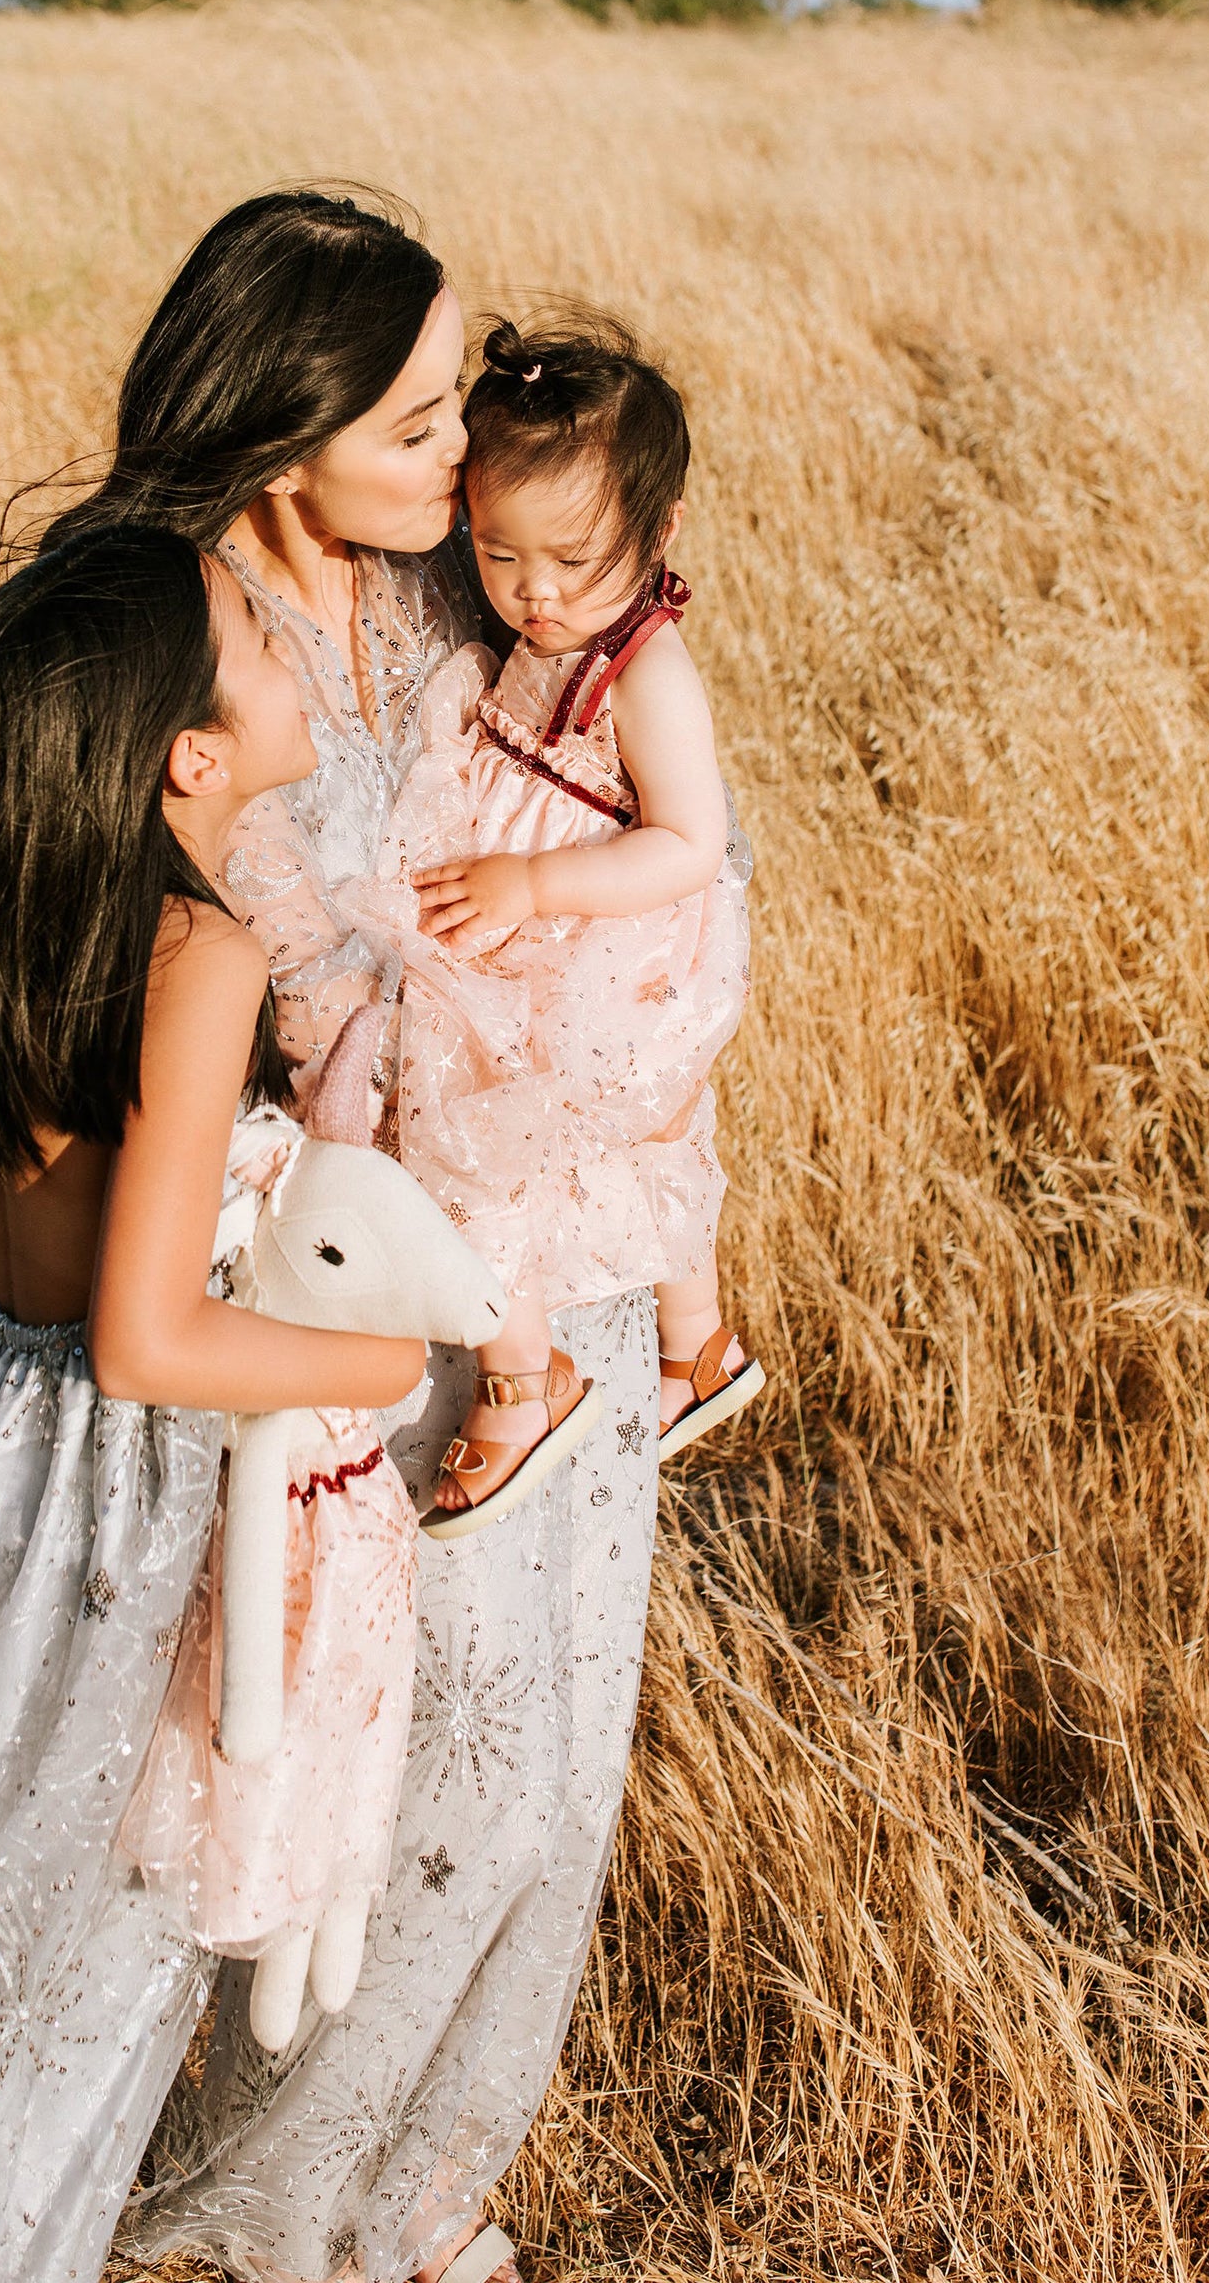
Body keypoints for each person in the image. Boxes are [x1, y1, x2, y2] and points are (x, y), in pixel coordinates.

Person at [36, 189, 684, 2283]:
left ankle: (418, 2204)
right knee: (393, 1794)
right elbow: (123, 979)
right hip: (357, 1269)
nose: (461, 450)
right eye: (417, 418)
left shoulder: (448, 596)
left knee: (553, 1773)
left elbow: (644, 824)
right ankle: (252, 2225)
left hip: (559, 1204)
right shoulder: (176, 635)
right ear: (286, 428)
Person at [0, 525, 432, 2283]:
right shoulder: (200, 949)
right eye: (247, 643)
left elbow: (57, 1293)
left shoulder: (14, 877)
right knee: (62, 1948)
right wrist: (381, 1368)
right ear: (193, 755)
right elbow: (145, 1336)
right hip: (109, 1489)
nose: (281, 645)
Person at [351, 314, 766, 1539]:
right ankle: (695, 1344)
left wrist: (534, 892)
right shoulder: (541, 627)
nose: (535, 594)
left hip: (604, 929)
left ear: (662, 530)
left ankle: (528, 1376)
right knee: (513, 1118)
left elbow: (690, 841)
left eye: (573, 564)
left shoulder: (647, 672)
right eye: (498, 555)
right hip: (532, 908)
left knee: (476, 1122)